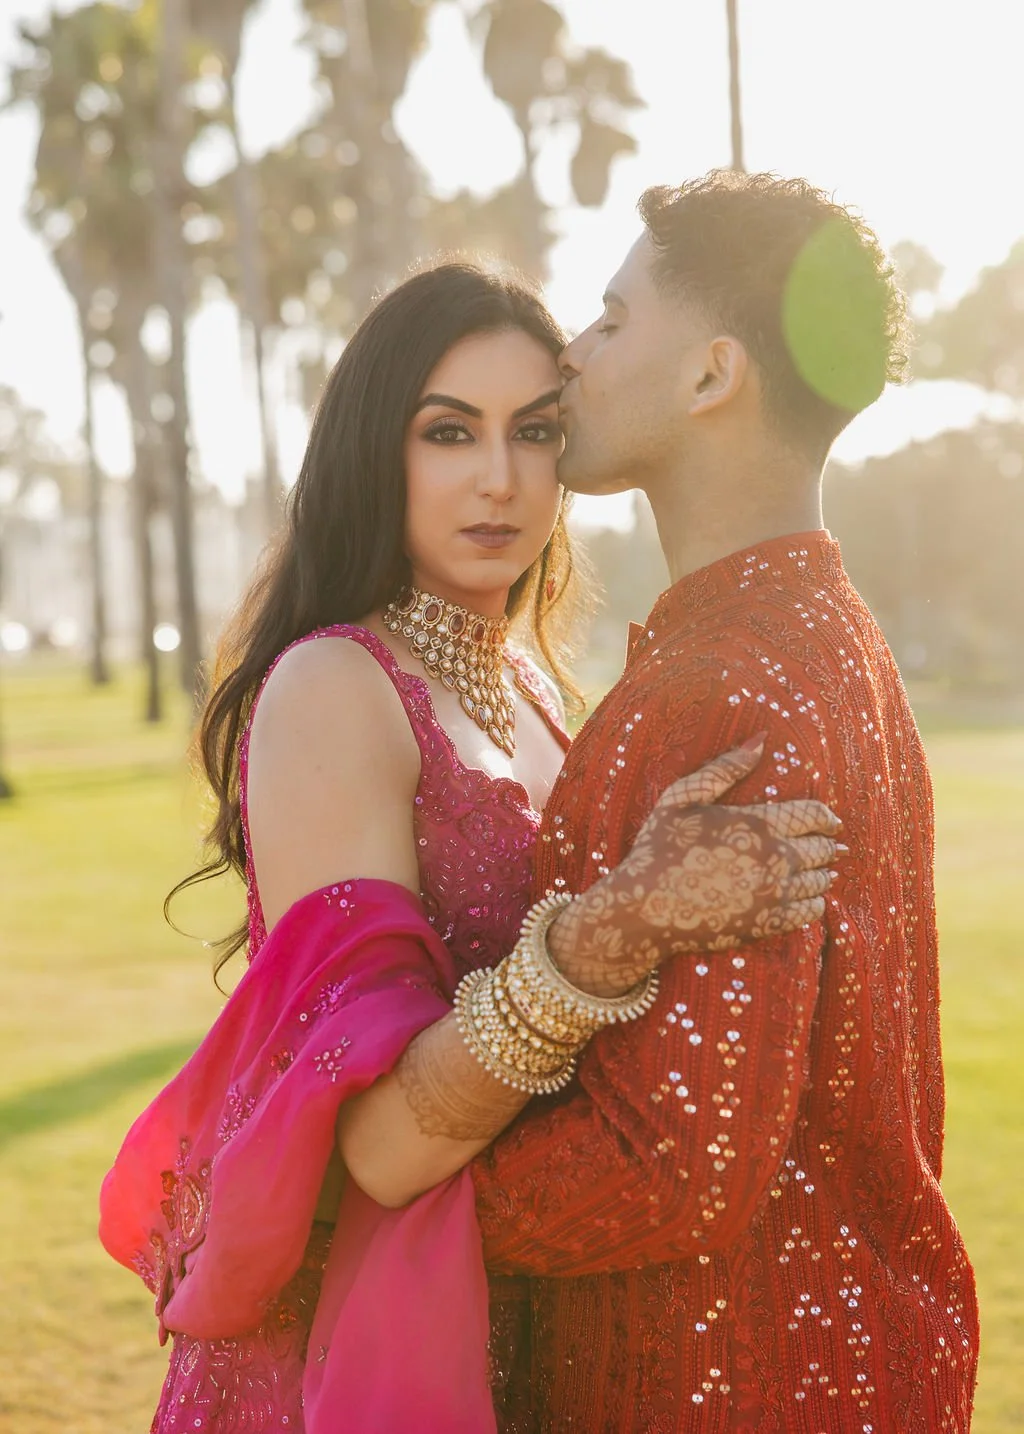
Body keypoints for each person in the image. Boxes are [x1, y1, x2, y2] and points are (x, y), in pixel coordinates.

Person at [99, 260, 841, 1431]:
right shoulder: (335, 686)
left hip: (533, 1311)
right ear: (373, 451)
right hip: (352, 1354)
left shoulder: (541, 688)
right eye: (449, 433)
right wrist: (612, 933)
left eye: (535, 431)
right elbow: (380, 1148)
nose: (499, 480)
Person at [457, 173, 979, 1430]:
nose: (567, 357)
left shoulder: (723, 684)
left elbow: (662, 1169)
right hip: (852, 1358)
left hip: (721, 1386)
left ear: (710, 377)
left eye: (611, 318)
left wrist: (388, 1192)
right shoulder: (830, 637)